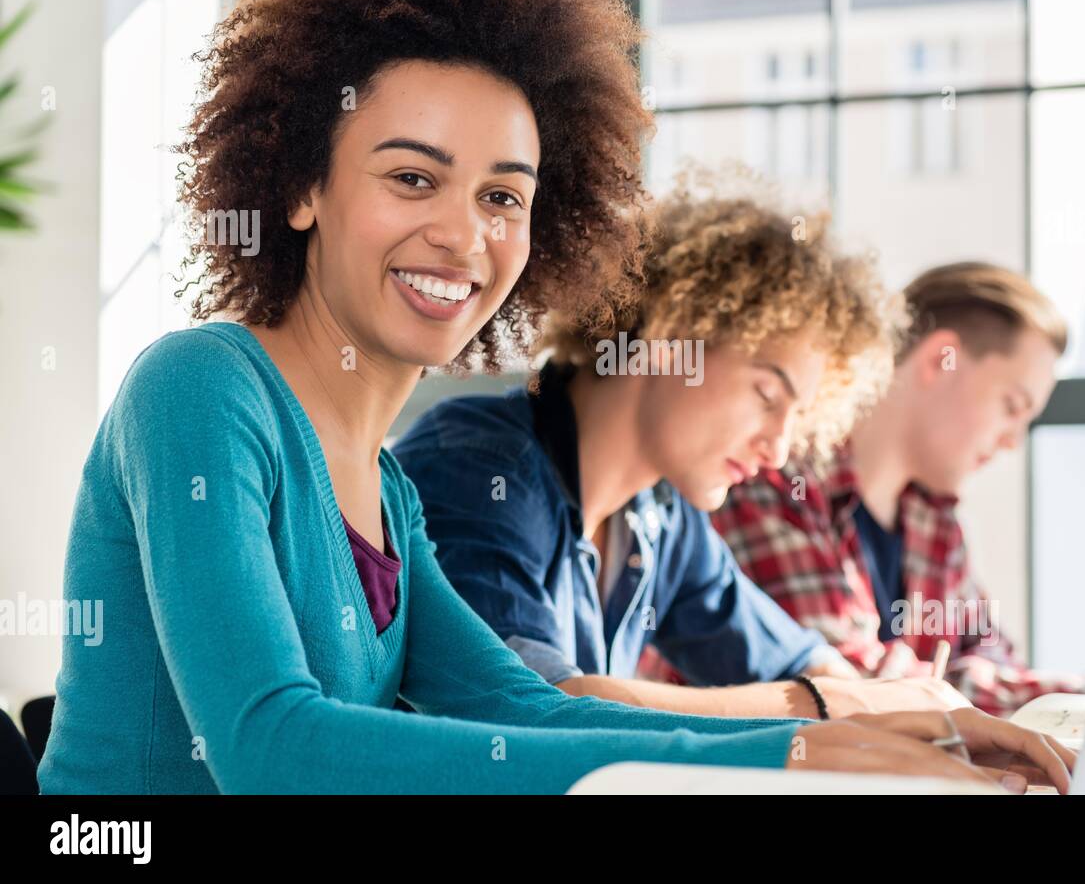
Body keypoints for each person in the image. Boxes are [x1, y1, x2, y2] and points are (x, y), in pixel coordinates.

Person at [38, 0, 1073, 793]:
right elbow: (272, 747)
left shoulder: (388, 490)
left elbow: (517, 707)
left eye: (502, 197)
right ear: (302, 188)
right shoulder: (201, 390)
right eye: (412, 178)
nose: (462, 235)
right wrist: (806, 745)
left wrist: (831, 745)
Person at [396, 173, 979, 721]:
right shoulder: (478, 466)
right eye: (767, 393)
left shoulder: (662, 517)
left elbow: (793, 660)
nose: (777, 452)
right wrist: (828, 702)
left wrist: (877, 695)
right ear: (674, 339)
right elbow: (539, 707)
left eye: (797, 419)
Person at [707, 262, 1085, 716]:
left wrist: (1081, 696)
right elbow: (849, 688)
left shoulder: (934, 520)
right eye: (1012, 407)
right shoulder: (774, 479)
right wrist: (1077, 696)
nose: (1013, 441)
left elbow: (990, 658)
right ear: (938, 360)